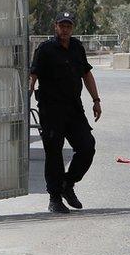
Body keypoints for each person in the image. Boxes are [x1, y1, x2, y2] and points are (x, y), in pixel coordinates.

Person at [29, 11, 101, 214]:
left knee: (87, 147)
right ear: (56, 26)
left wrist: (96, 100)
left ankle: (67, 184)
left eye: (68, 25)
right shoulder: (45, 49)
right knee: (54, 153)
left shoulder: (77, 47)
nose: (65, 29)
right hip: (51, 109)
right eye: (62, 25)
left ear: (72, 27)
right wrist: (26, 97)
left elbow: (86, 74)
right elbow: (33, 75)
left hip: (73, 108)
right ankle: (54, 198)